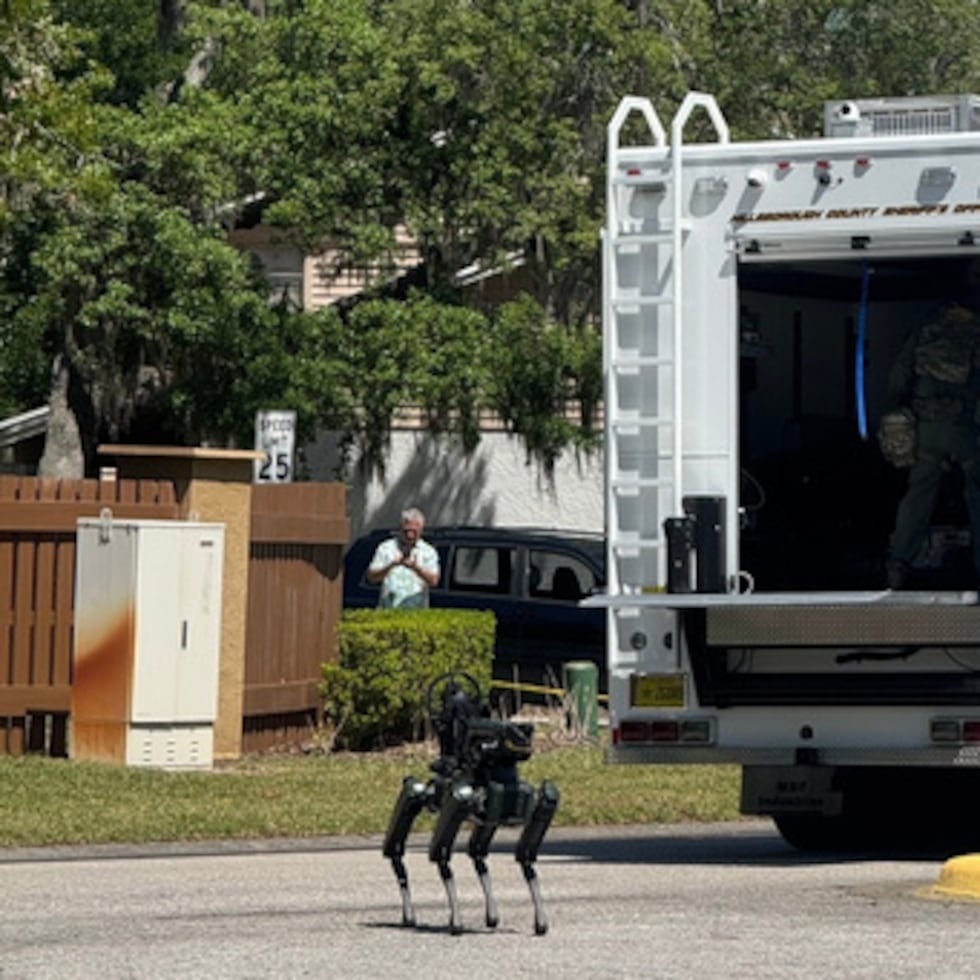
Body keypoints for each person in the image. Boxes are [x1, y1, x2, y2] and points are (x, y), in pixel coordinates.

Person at [884, 296, 980, 589]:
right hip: (964, 427)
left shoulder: (926, 327)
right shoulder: (976, 331)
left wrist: (898, 407)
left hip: (927, 426)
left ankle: (899, 563)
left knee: (919, 495)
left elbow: (900, 372)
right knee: (977, 493)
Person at [367, 507, 440, 608]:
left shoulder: (428, 552)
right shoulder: (386, 548)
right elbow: (371, 577)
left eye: (414, 531)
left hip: (416, 616)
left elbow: (433, 581)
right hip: (388, 613)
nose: (410, 535)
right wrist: (392, 565)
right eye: (406, 531)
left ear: (421, 530)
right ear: (400, 528)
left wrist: (416, 568)